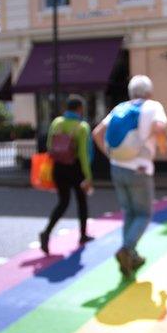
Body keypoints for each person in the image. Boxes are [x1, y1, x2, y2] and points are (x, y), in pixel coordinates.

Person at [93, 75, 167, 278]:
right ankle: (127, 250)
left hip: (117, 167)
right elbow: (160, 128)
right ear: (149, 92)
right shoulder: (153, 106)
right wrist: (162, 147)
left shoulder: (120, 108)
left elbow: (97, 133)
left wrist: (109, 155)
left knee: (129, 213)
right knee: (143, 214)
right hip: (140, 168)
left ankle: (131, 255)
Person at [39, 94, 94, 254]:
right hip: (75, 168)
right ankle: (83, 234)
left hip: (58, 168)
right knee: (81, 202)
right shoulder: (81, 127)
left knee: (63, 202)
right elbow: (83, 154)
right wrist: (88, 176)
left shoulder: (57, 123)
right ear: (79, 109)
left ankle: (46, 232)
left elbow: (50, 145)